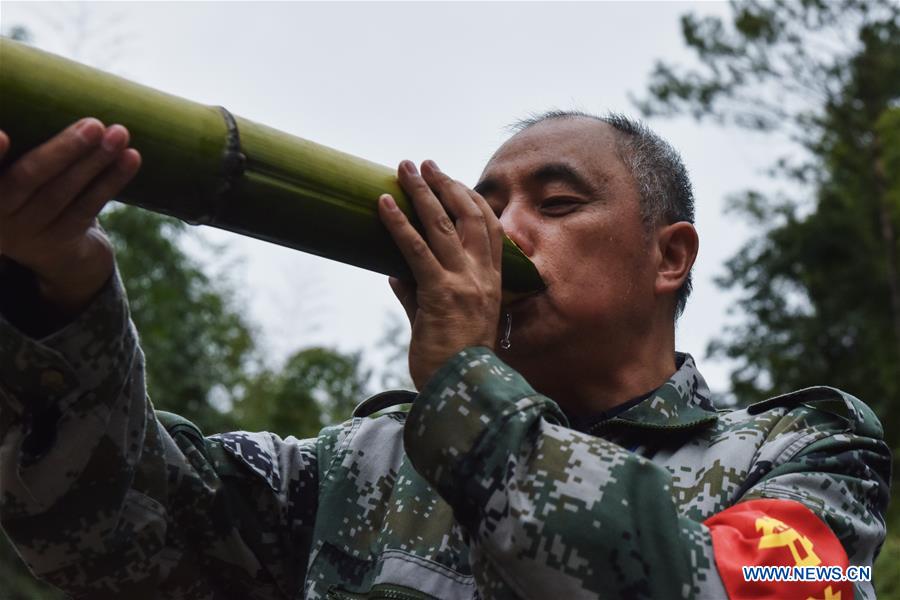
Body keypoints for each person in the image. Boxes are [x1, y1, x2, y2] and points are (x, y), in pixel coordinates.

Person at [0, 112, 890, 600]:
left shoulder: (814, 453)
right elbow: (98, 530)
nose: (502, 233)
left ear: (669, 257)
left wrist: (466, 389)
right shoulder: (361, 468)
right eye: (488, 207)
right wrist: (60, 294)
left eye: (558, 203)